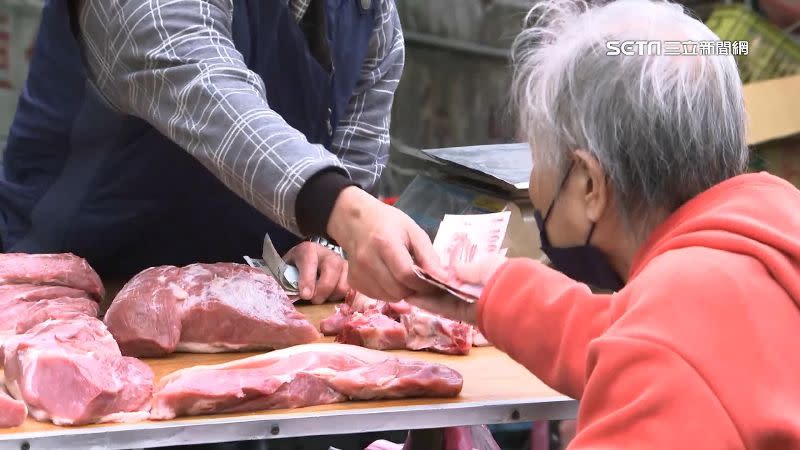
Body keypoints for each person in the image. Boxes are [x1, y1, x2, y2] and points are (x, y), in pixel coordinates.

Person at [407, 0, 800, 448]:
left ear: (590, 185)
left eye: (538, 158)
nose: (535, 182)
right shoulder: (769, 236)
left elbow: (658, 349)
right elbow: (629, 332)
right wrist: (492, 296)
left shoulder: (667, 353)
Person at [0, 0, 443, 303]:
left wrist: (326, 245)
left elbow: (357, 142)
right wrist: (349, 215)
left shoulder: (368, 12)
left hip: (242, 311)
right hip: (67, 304)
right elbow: (201, 86)